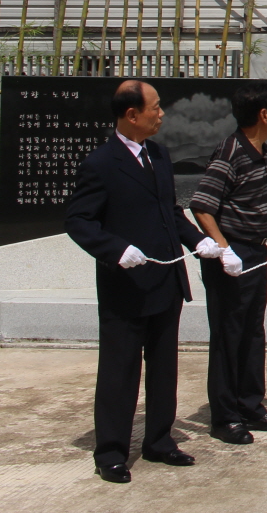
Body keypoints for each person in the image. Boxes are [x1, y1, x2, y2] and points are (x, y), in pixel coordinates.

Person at [65, 79, 215, 484]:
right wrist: (114, 249)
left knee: (164, 367)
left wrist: (200, 241)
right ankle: (111, 451)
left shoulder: (159, 155)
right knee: (120, 370)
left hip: (165, 279)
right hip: (126, 286)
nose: (161, 113)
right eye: (155, 107)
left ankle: (159, 440)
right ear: (131, 114)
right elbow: (78, 220)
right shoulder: (100, 162)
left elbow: (170, 210)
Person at [189, 83, 267, 445]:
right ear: (263, 115)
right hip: (232, 258)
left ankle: (251, 405)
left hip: (255, 254)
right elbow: (202, 206)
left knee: (253, 331)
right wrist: (224, 250)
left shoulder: (260, 151)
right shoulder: (230, 151)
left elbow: (263, 198)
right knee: (229, 335)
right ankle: (225, 417)